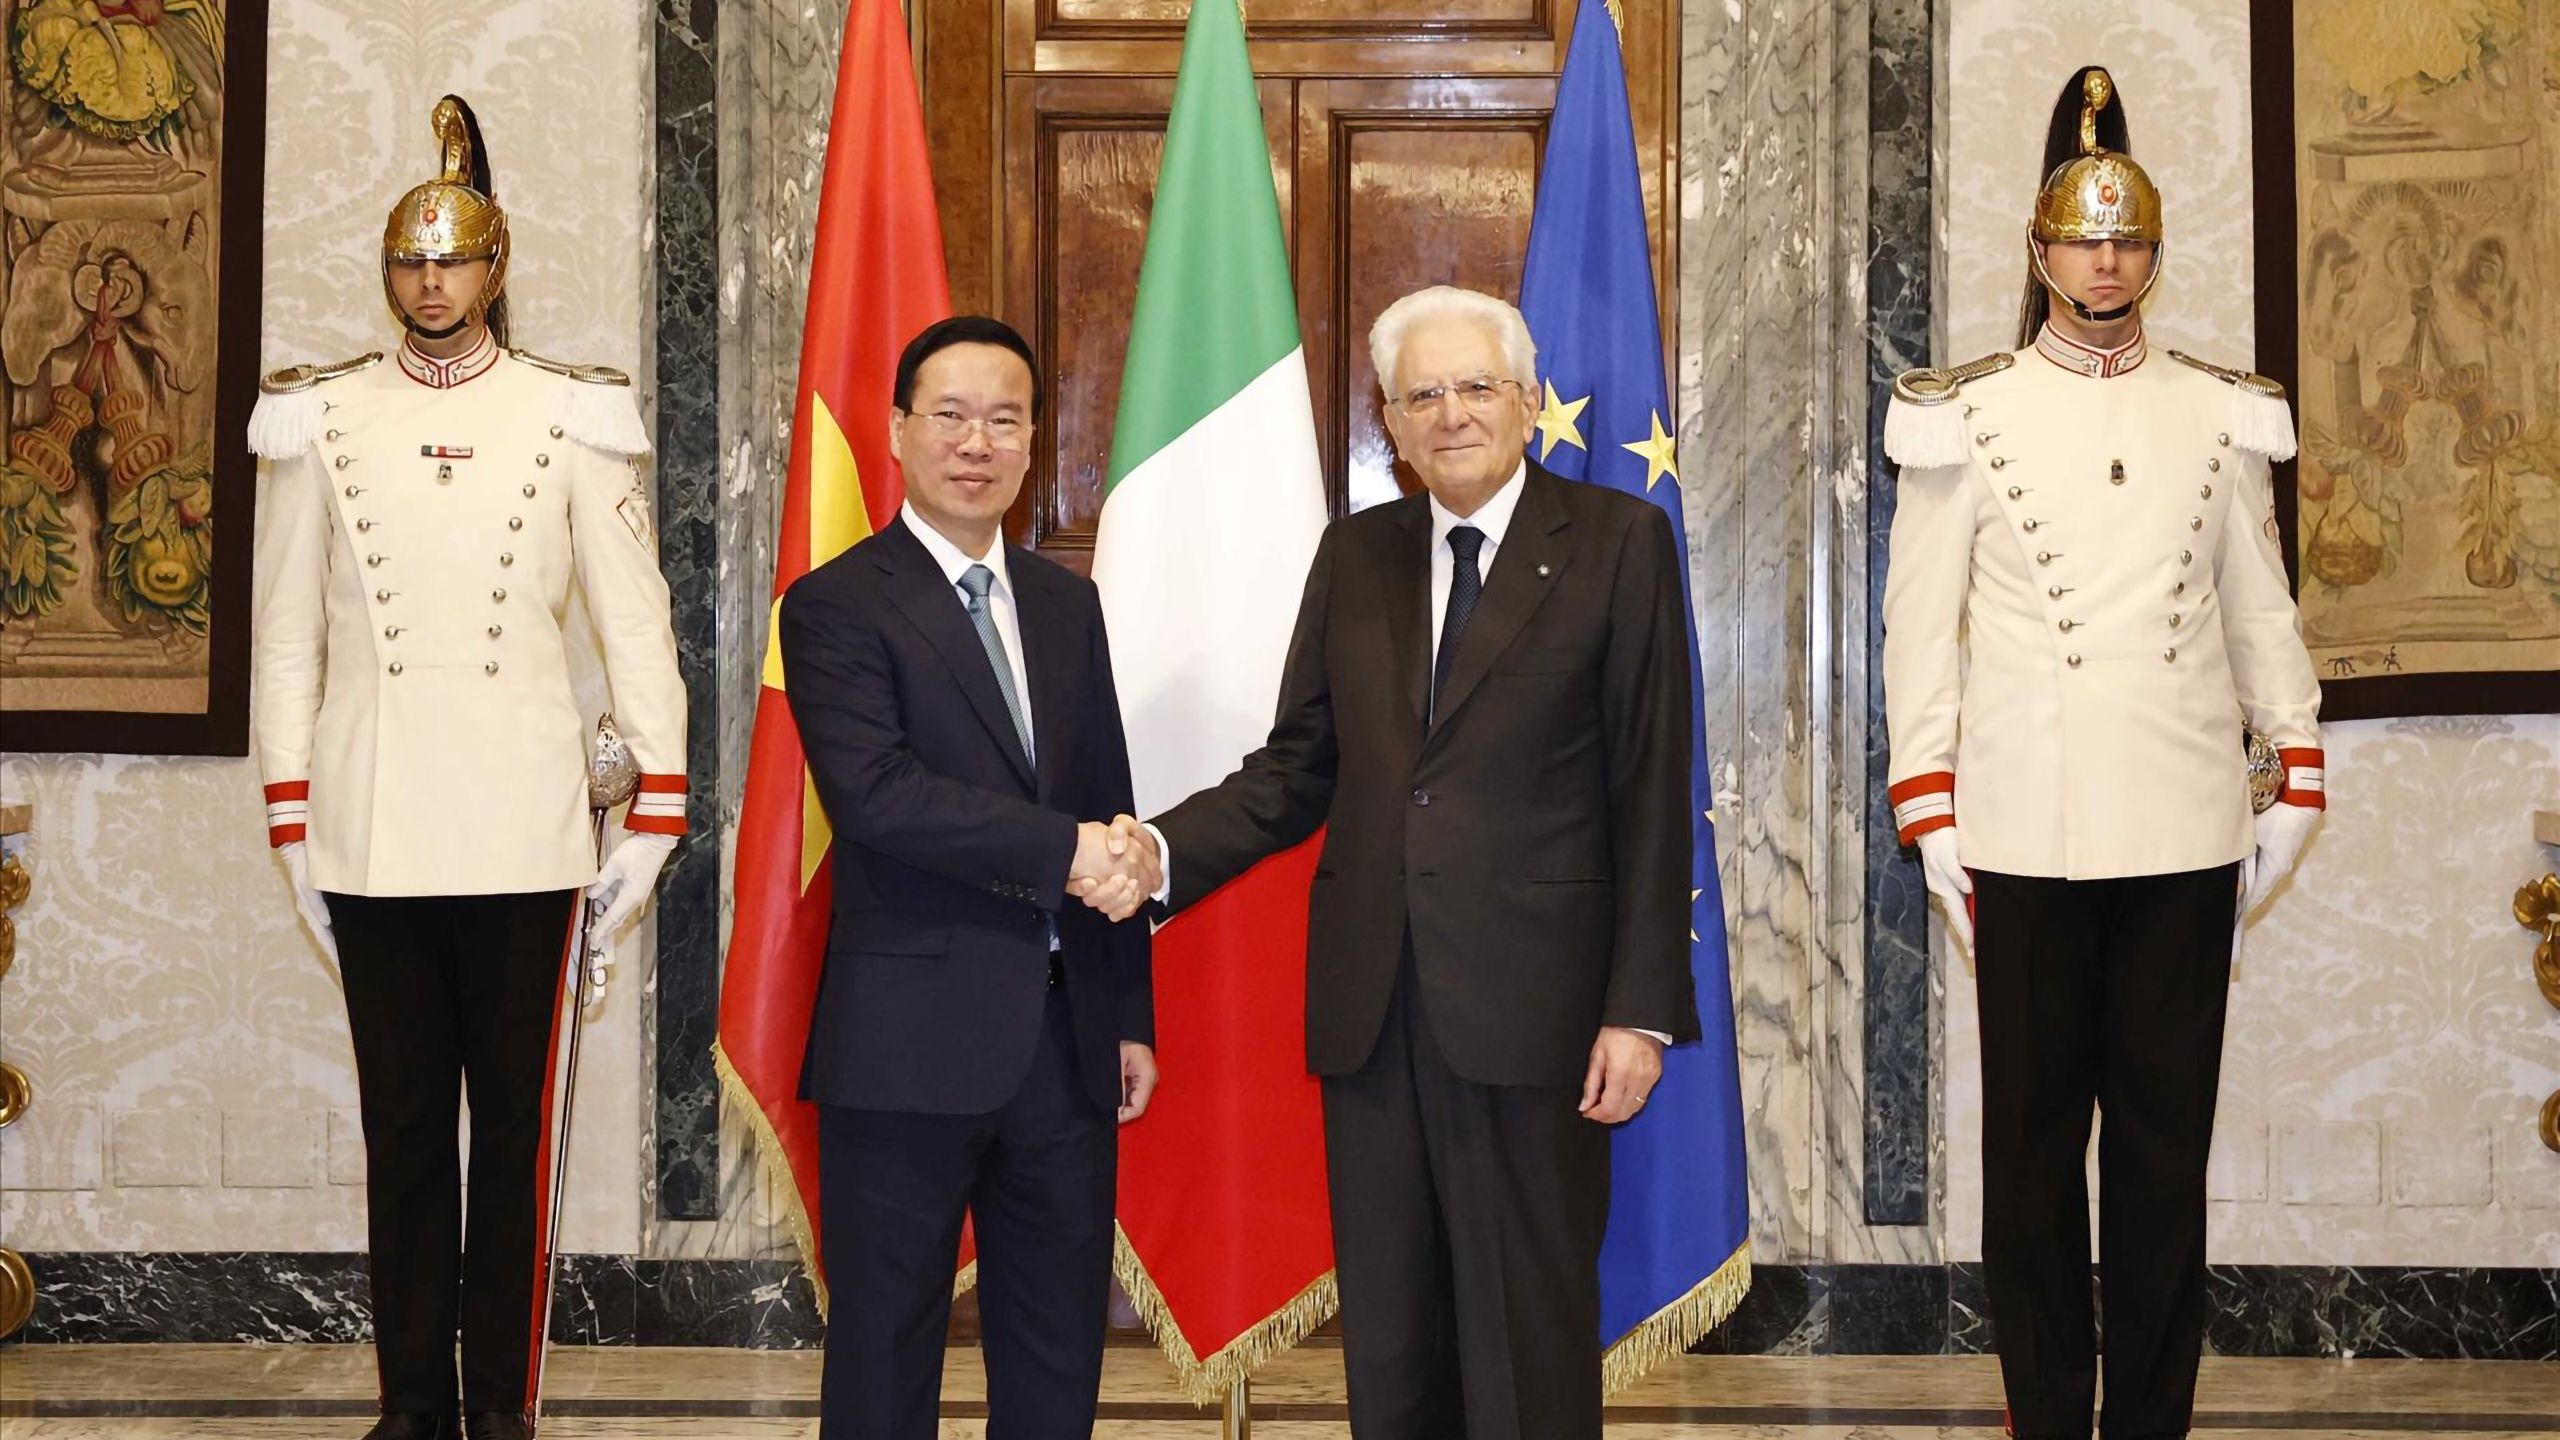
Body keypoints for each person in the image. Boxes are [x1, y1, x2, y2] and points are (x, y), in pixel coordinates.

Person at [1111, 285, 1697, 1440]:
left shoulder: (1616, 544)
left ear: (1526, 400)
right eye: (1422, 395)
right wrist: (1158, 849)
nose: (1451, 413)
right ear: (1389, 422)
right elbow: (1299, 767)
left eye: (1476, 386)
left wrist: (1638, 1011)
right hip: (1374, 1011)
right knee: (1392, 1338)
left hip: (1538, 1012)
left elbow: (1650, 787)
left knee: (1527, 1335)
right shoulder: (1356, 554)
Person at [1880, 66, 2325, 1440]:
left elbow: (2259, 606)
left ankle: (2147, 1422)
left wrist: (2295, 763)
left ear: (2155, 252)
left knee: (2161, 1158)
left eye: (2129, 239)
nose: (2108, 262)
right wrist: (1929, 803)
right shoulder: (1968, 410)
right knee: (2028, 1164)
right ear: (2040, 252)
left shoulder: (2220, 410)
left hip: (2185, 827)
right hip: (2025, 831)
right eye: (2084, 240)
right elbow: (1919, 631)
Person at [247, 96, 687, 1440]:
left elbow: (636, 622)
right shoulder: (317, 418)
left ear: (497, 268)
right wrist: (290, 822)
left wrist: (656, 814)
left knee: (513, 1142)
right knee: (399, 1139)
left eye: (452, 261)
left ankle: (498, 1409)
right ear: (387, 274)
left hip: (525, 833)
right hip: (371, 827)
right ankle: (411, 1412)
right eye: (409, 262)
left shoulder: (573, 413)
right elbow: (285, 639)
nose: (429, 284)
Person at [774, 316, 1158, 1440]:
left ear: (1035, 441)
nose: (976, 443)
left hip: (1065, 1048)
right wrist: (1064, 852)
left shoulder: (1066, 603)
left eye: (1003, 419)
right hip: (905, 1046)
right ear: (898, 430)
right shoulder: (835, 604)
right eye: (949, 415)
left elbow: (1105, 797)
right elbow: (878, 796)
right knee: (885, 1358)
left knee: (1055, 1357)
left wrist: (1126, 1013)